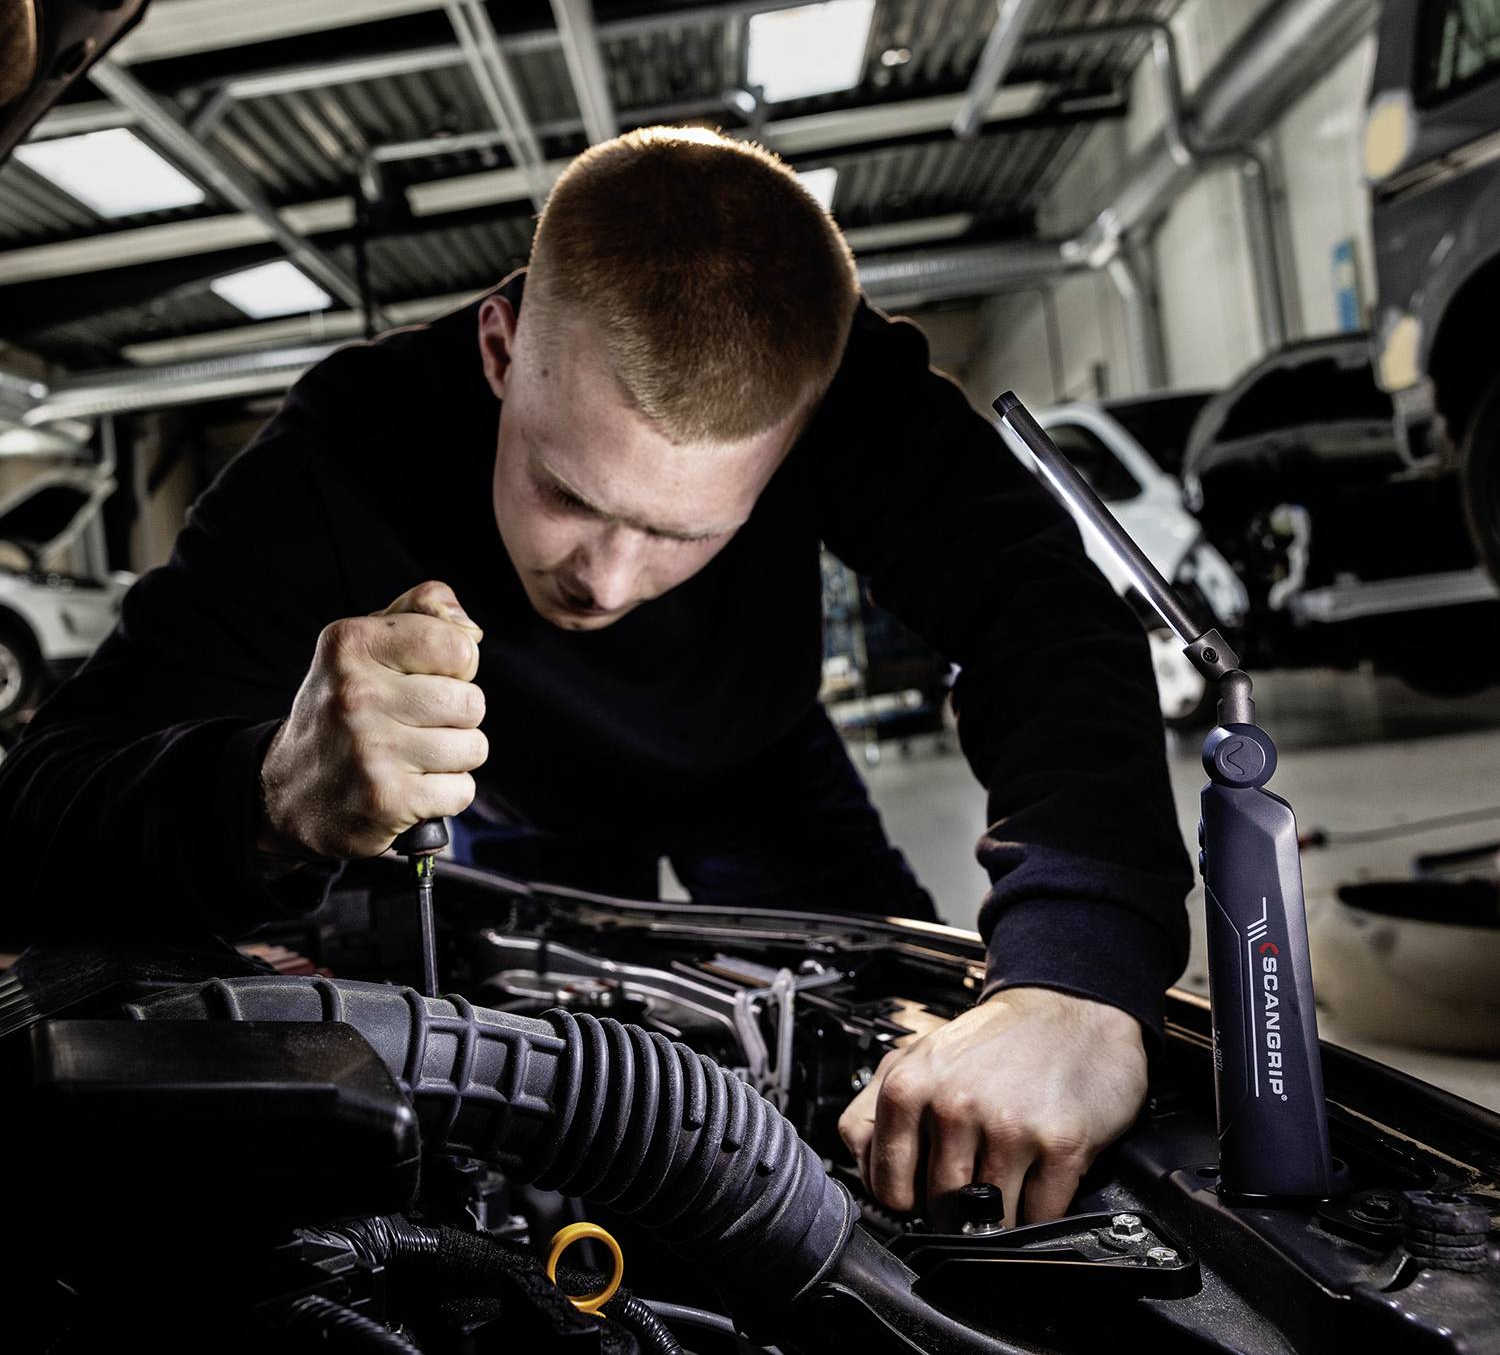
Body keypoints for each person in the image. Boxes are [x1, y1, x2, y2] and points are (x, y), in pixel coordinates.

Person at [0, 126, 1190, 1228]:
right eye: (568, 493)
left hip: (769, 776)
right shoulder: (350, 444)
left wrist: (1078, 974)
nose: (607, 582)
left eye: (682, 532)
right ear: (501, 347)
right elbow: (40, 801)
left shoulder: (842, 390)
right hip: (517, 820)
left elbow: (1049, 621)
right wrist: (268, 792)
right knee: (548, 1140)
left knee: (910, 1056)